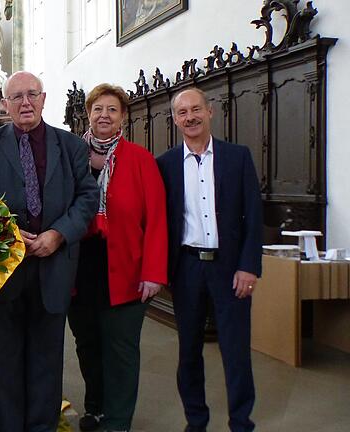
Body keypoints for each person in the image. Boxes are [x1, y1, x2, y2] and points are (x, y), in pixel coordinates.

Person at [0, 71, 99, 431]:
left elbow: (88, 196)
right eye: (17, 97)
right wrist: (6, 234)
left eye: (31, 95)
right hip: (6, 269)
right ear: (6, 105)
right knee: (4, 357)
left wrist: (59, 234)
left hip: (54, 265)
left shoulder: (70, 145)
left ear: (43, 99)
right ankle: (6, 425)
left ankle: (42, 426)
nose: (25, 102)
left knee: (47, 357)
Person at [156, 87, 262, 432]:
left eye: (196, 109)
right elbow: (160, 221)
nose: (190, 117)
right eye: (182, 112)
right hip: (186, 268)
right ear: (174, 119)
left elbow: (253, 216)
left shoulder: (238, 157)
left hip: (230, 267)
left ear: (210, 111)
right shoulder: (166, 165)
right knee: (188, 351)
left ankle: (241, 421)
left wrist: (249, 266)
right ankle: (196, 421)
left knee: (235, 350)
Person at [67, 84, 168, 432]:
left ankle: (117, 422)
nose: (104, 116)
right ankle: (95, 409)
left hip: (124, 272)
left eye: (112, 110)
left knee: (120, 352)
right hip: (79, 273)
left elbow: (156, 219)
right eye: (98, 109)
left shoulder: (140, 159)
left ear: (123, 116)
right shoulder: (71, 156)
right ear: (88, 114)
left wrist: (153, 272)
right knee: (88, 347)